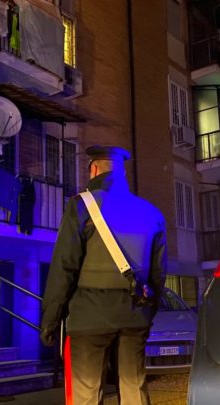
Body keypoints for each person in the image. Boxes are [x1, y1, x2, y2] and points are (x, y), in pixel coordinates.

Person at [40, 145, 167, 405]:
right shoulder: (151, 212)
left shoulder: (81, 206)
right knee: (134, 389)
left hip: (89, 318)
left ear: (94, 169)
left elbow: (64, 267)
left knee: (87, 393)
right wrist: (146, 312)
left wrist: (50, 321)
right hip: (134, 317)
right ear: (123, 174)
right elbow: (158, 274)